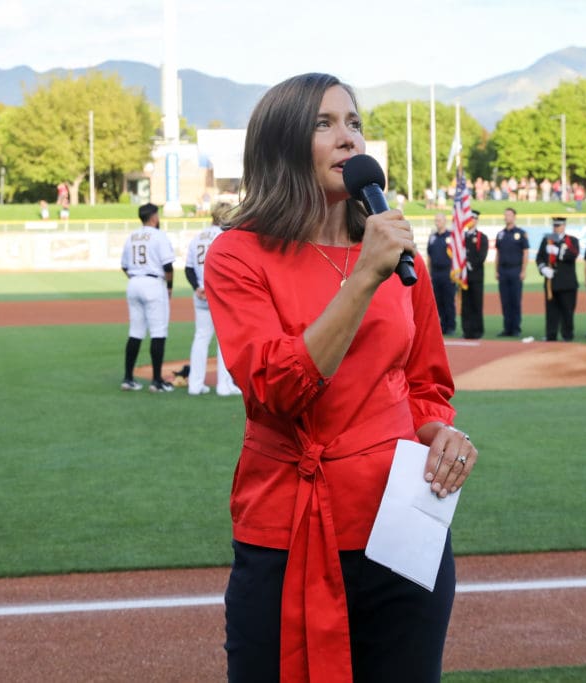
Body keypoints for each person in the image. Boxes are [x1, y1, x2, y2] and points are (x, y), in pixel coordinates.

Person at [202, 73, 477, 683]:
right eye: (324, 124)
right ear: (281, 146)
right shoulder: (238, 254)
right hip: (288, 526)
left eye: (353, 121)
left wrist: (438, 431)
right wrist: (362, 280)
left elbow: (426, 381)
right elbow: (275, 391)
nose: (348, 138)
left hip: (404, 522)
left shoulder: (399, 253)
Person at [184, 202, 242, 396]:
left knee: (200, 337)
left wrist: (198, 287)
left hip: (201, 294)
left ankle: (195, 384)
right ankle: (224, 386)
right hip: (221, 294)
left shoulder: (198, 236)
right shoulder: (225, 236)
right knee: (225, 340)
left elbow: (189, 268)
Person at [119, 202, 175, 392]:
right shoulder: (159, 236)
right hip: (153, 284)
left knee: (135, 331)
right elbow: (168, 266)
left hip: (134, 282)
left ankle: (128, 378)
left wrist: (137, 277)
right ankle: (157, 381)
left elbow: (124, 266)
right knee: (159, 332)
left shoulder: (132, 236)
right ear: (153, 217)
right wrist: (169, 287)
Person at [536, 216, 580, 341]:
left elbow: (574, 254)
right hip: (551, 283)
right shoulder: (547, 239)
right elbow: (539, 257)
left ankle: (567, 335)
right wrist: (543, 268)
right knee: (551, 311)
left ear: (564, 226)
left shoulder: (571, 240)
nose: (556, 228)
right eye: (554, 226)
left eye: (558, 226)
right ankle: (551, 334)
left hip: (567, 283)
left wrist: (558, 251)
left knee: (567, 311)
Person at [494, 207, 530, 337]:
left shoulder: (521, 233)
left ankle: (515, 328)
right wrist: (496, 270)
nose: (507, 217)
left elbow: (525, 253)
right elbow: (498, 253)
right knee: (505, 301)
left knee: (515, 300)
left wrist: (523, 270)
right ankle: (507, 328)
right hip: (503, 271)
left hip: (515, 270)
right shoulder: (501, 234)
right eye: (505, 215)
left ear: (514, 217)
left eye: (509, 215)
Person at [426, 211, 457, 334]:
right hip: (436, 273)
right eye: (436, 220)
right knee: (438, 301)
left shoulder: (451, 237)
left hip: (448, 272)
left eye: (439, 220)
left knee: (448, 300)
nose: (437, 222)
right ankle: (442, 325)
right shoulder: (432, 237)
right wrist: (429, 273)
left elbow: (456, 256)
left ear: (445, 221)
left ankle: (450, 326)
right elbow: (429, 256)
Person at [461, 209, 488, 339]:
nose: (471, 221)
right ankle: (467, 330)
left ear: (477, 221)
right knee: (465, 305)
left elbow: (482, 256)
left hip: (476, 276)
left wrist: (469, 264)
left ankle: (478, 330)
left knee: (477, 303)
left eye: (474, 219)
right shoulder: (461, 237)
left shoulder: (482, 237)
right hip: (464, 277)